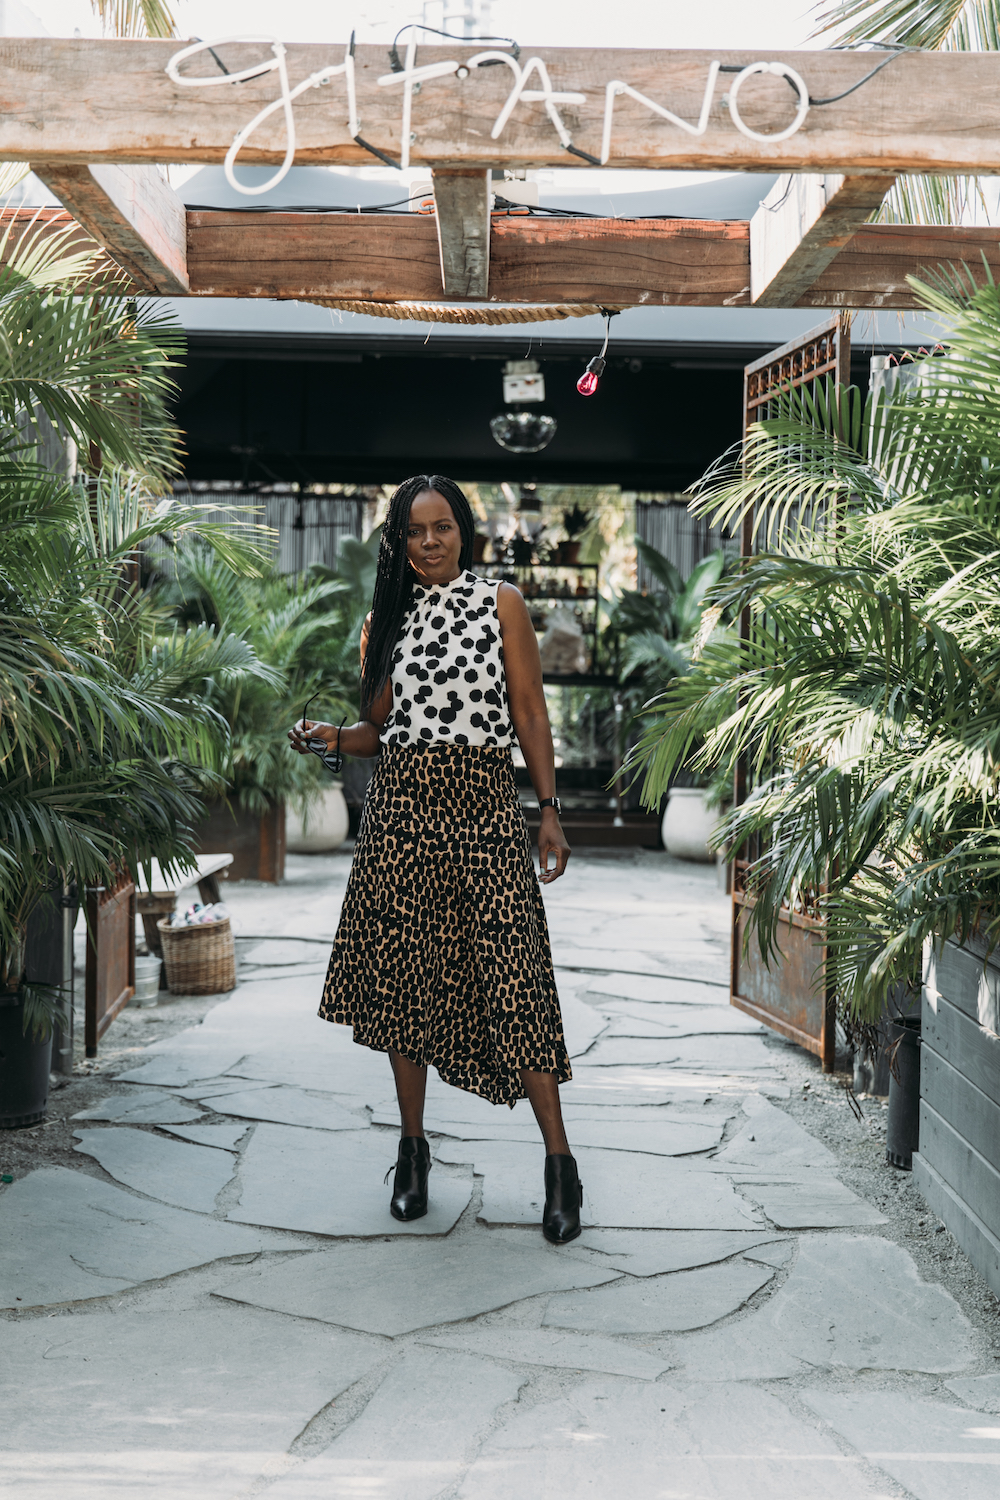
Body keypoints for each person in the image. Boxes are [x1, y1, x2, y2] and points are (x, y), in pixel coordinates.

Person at [288, 474, 582, 1243]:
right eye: (414, 531)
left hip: (484, 809)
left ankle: (560, 1163)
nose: (429, 542)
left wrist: (548, 811)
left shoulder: (501, 603)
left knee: (515, 974)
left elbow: (528, 712)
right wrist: (332, 738)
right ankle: (412, 1152)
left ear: (463, 530)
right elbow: (380, 730)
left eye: (441, 526)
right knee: (406, 984)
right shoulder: (383, 620)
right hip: (402, 816)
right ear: (398, 540)